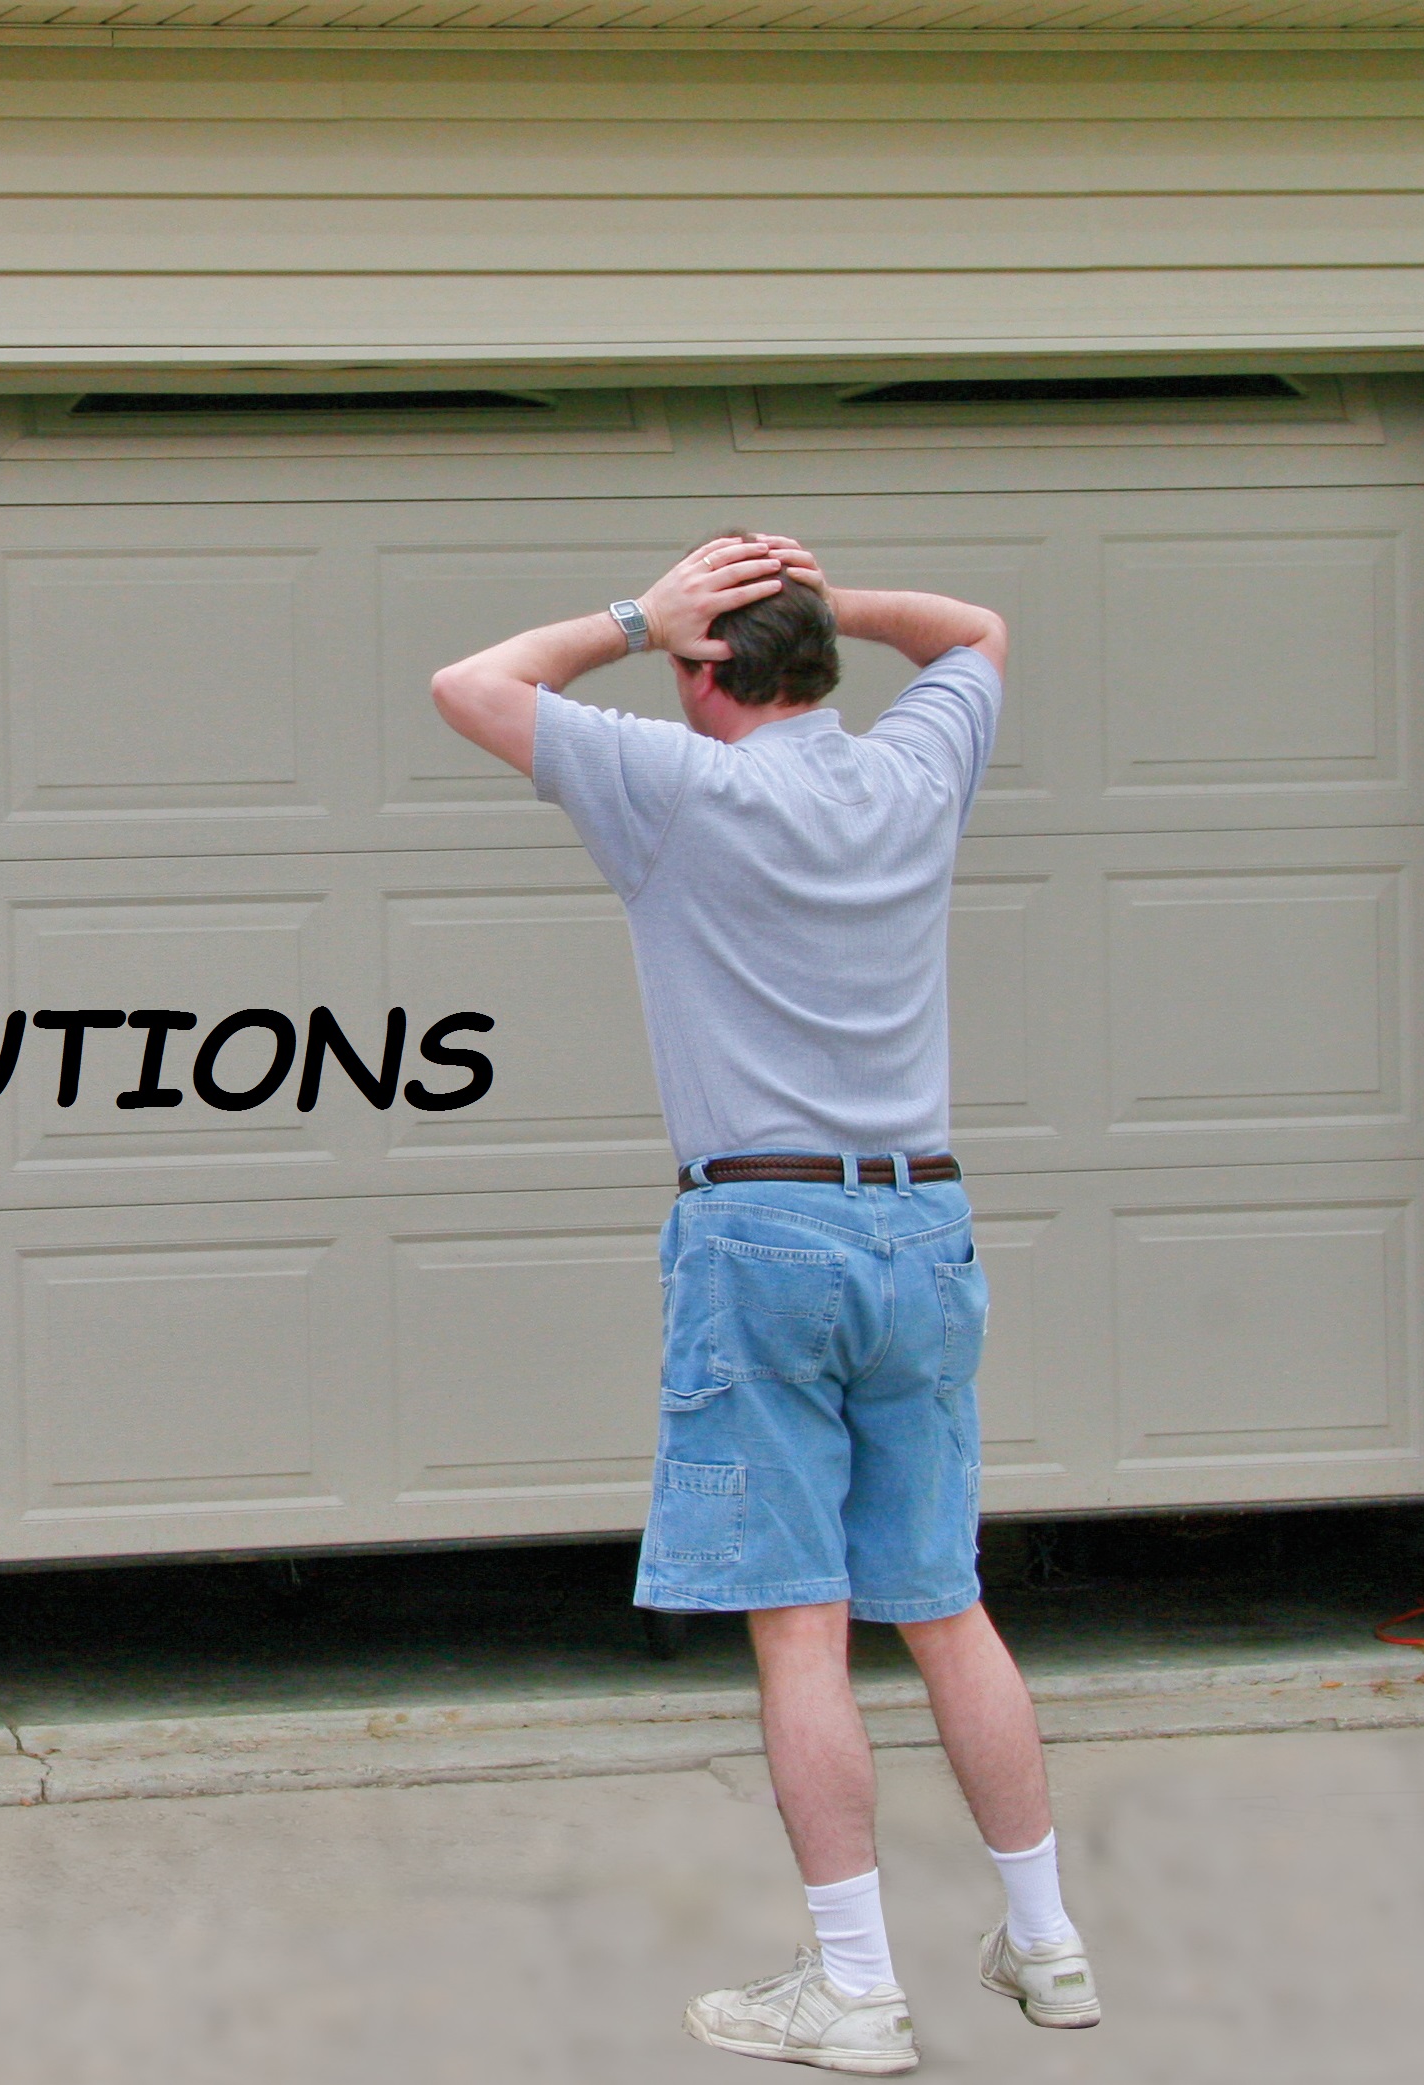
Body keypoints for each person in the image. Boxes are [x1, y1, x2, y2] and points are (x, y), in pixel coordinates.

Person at [429, 536, 1094, 2075]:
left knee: (801, 1625)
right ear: (816, 665)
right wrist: (818, 600)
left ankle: (853, 1990)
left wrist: (634, 615)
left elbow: (471, 685)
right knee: (940, 1599)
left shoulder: (678, 788)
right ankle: (1047, 1943)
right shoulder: (912, 771)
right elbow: (977, 624)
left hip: (760, 1230)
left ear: (699, 671)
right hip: (918, 1221)